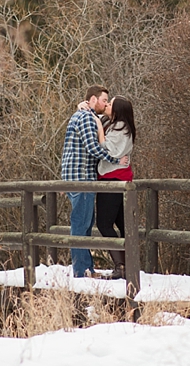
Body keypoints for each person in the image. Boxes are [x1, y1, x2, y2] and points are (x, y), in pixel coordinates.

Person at [61, 85, 128, 278]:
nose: (106, 104)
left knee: (85, 223)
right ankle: (82, 271)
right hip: (81, 179)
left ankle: (86, 268)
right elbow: (94, 148)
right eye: (104, 100)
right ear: (92, 100)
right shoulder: (86, 118)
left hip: (78, 177)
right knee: (81, 224)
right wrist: (117, 160)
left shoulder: (86, 116)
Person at [93, 96, 136, 280]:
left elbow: (107, 149)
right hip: (114, 178)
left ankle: (121, 266)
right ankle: (127, 264)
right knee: (121, 223)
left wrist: (99, 129)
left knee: (104, 223)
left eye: (110, 103)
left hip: (114, 179)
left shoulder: (121, 129)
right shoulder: (113, 124)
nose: (107, 105)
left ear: (118, 110)